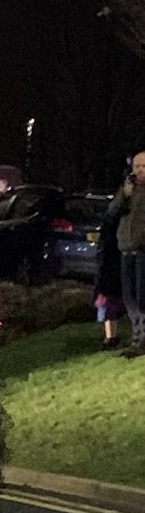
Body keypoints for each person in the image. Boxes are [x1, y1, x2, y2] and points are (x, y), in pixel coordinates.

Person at [107, 148, 145, 357]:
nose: (139, 170)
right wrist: (125, 193)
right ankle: (137, 337)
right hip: (126, 249)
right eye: (136, 166)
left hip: (143, 250)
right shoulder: (128, 189)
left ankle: (142, 340)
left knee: (142, 297)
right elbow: (112, 211)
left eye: (143, 166)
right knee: (129, 298)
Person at [94, 206, 124, 350]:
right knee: (112, 304)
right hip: (114, 269)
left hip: (109, 271)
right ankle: (111, 337)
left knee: (109, 305)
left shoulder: (109, 225)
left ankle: (110, 337)